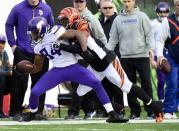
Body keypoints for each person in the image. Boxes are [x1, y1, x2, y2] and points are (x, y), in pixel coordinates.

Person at [57, 7, 164, 123]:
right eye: (62, 21)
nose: (64, 24)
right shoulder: (71, 29)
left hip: (108, 62)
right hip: (95, 65)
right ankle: (114, 110)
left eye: (65, 20)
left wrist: (58, 45)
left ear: (73, 18)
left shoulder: (82, 25)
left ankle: (155, 105)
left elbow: (78, 48)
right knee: (81, 91)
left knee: (126, 86)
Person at [19, 16, 128, 123]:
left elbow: (79, 33)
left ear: (41, 30)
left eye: (34, 33)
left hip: (74, 67)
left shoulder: (55, 31)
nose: (33, 36)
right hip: (57, 71)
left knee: (96, 83)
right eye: (32, 33)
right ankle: (33, 114)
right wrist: (28, 69)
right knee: (34, 92)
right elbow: (38, 67)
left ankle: (112, 113)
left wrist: (84, 50)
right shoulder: (36, 46)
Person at [105, 0, 155, 120]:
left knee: (146, 84)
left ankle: (150, 111)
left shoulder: (142, 16)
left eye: (129, 1)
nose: (127, 4)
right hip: (125, 57)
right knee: (129, 86)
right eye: (125, 1)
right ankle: (135, 112)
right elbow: (113, 39)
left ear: (134, 2)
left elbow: (149, 34)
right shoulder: (118, 19)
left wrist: (151, 49)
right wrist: (105, 53)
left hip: (142, 56)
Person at [5, 0, 54, 121]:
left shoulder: (47, 9)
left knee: (40, 83)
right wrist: (12, 45)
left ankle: (37, 112)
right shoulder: (18, 8)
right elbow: (8, 25)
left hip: (41, 53)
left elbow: (51, 28)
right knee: (19, 84)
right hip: (22, 51)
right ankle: (16, 111)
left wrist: (48, 46)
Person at [155, 0, 179, 119]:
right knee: (172, 83)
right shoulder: (167, 20)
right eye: (178, 5)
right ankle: (169, 110)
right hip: (171, 56)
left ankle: (175, 106)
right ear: (175, 6)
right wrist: (160, 56)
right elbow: (160, 40)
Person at [150, 2, 170, 102]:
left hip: (170, 54)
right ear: (157, 12)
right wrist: (151, 58)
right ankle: (162, 100)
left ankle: (174, 101)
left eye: (166, 12)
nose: (163, 14)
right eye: (161, 12)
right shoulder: (152, 24)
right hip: (157, 55)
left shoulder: (172, 23)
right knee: (161, 80)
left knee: (173, 80)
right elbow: (149, 42)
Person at [0, 34, 12, 118]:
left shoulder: (5, 53)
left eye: (3, 42)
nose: (1, 45)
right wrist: (9, 73)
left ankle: (15, 109)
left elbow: (8, 68)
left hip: (3, 83)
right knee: (2, 78)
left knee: (16, 78)